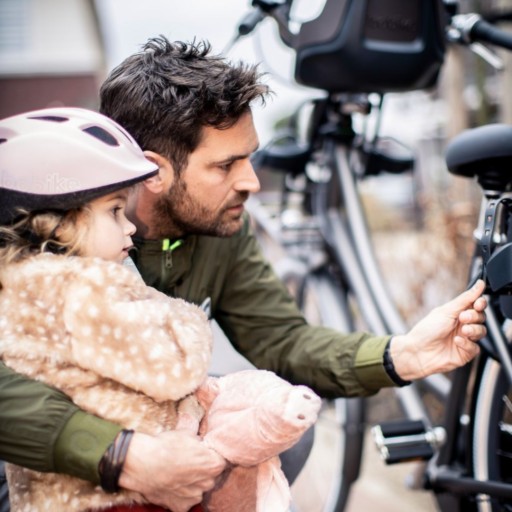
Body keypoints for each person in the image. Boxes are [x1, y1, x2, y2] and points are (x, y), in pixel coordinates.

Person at [0, 37, 487, 511]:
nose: (251, 182)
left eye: (249, 157)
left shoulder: (222, 226)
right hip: (39, 470)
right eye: (226, 165)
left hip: (165, 438)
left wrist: (402, 354)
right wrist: (119, 455)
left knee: (277, 424)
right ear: (154, 172)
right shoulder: (45, 235)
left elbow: (282, 340)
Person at [0, 106, 229, 512]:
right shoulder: (86, 291)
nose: (130, 228)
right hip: (113, 498)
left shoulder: (20, 285)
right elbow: (172, 368)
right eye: (114, 211)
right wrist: (190, 320)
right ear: (59, 225)